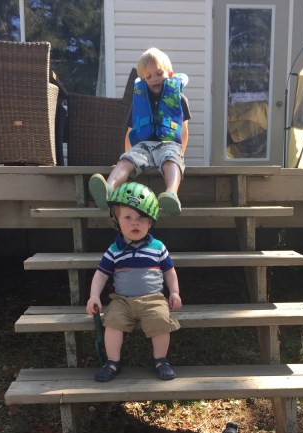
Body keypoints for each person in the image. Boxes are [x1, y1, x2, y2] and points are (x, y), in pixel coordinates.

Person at [86, 182, 182, 382]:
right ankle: (112, 362)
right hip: (122, 300)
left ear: (150, 221)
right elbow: (101, 274)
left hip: (153, 299)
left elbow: (169, 271)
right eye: (127, 218)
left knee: (161, 321)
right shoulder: (114, 250)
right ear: (117, 221)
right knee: (112, 322)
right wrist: (94, 295)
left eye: (141, 218)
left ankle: (160, 360)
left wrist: (174, 292)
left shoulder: (157, 247)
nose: (134, 223)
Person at [89, 47, 191, 216]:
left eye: (159, 73)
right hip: (143, 146)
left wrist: (181, 154)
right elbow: (131, 131)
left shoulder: (179, 99)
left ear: (170, 74)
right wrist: (126, 157)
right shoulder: (139, 101)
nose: (154, 79)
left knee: (171, 161)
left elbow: (184, 131)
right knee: (126, 161)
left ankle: (171, 195)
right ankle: (108, 189)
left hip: (169, 144)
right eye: (148, 76)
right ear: (143, 79)